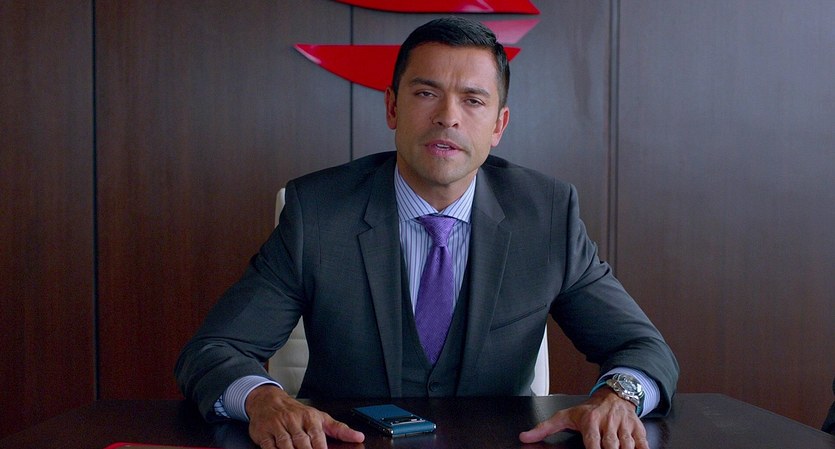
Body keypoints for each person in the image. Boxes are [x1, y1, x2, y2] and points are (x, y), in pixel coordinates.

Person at [175, 16, 679, 449]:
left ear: (499, 125)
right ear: (393, 108)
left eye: (473, 100)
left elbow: (644, 348)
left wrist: (618, 398)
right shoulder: (319, 213)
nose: (447, 117)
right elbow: (214, 351)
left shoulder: (546, 217)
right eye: (425, 93)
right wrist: (263, 398)